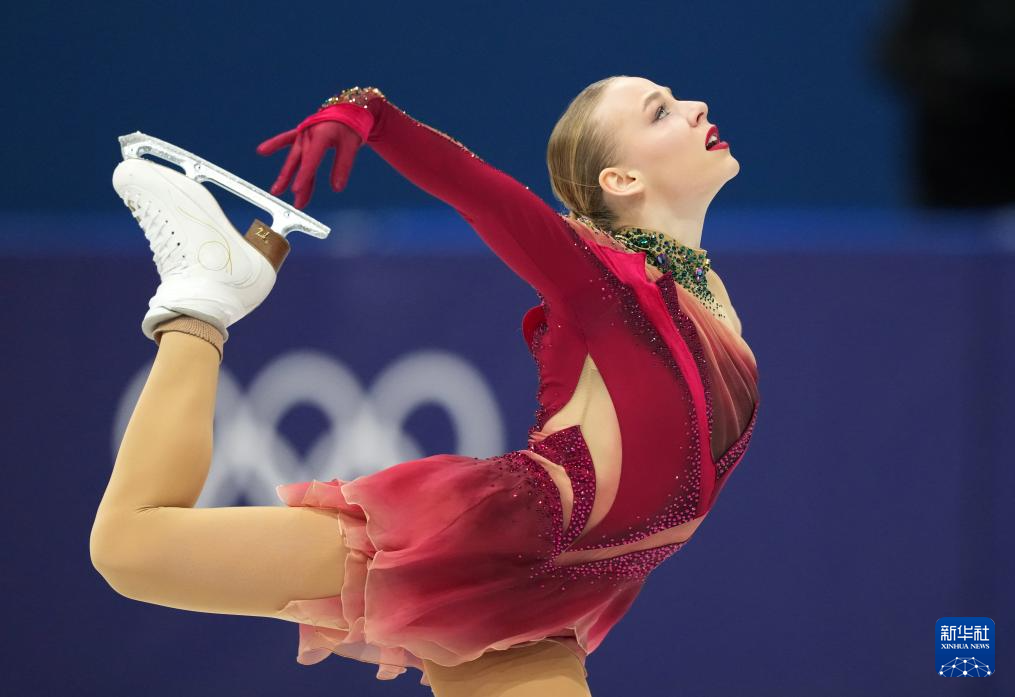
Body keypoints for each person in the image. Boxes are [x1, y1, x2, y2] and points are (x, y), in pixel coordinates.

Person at [91, 75, 760, 697]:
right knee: (129, 548)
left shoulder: (709, 295)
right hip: (490, 544)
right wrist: (373, 117)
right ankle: (203, 297)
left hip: (559, 596)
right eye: (660, 112)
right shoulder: (601, 281)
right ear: (620, 178)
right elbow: (485, 195)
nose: (695, 107)